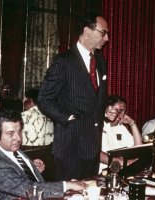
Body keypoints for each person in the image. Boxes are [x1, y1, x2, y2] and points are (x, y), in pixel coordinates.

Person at [38, 14, 109, 181]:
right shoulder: (64, 61)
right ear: (86, 31)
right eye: (103, 32)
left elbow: (94, 99)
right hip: (71, 148)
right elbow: (44, 98)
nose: (107, 38)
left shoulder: (100, 61)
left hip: (93, 148)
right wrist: (67, 118)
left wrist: (105, 111)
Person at [0, 109, 86, 199]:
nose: (18, 138)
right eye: (11, 134)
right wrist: (67, 185)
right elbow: (28, 189)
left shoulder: (6, 146)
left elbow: (11, 166)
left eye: (19, 131)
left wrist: (30, 166)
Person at [99, 95, 142, 174]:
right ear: (107, 109)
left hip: (121, 171)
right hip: (102, 173)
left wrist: (132, 123)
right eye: (118, 111)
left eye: (123, 112)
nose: (122, 115)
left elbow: (138, 149)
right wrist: (127, 162)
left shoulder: (121, 128)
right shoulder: (99, 126)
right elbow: (98, 155)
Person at [21, 88, 55, 181]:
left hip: (29, 156)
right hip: (49, 157)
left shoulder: (23, 116)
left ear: (30, 100)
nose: (23, 104)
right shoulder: (51, 115)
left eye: (25, 100)